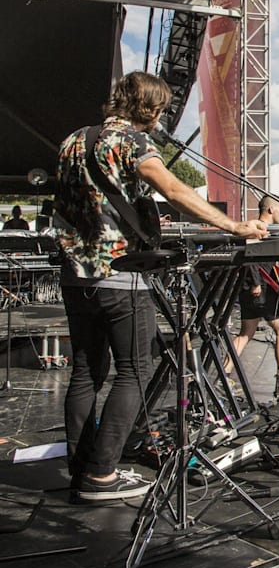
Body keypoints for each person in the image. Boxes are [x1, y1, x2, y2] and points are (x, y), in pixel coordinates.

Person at [55, 71, 268, 502]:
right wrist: (233, 225)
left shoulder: (73, 140)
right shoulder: (132, 142)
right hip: (121, 275)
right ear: (149, 108)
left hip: (75, 275)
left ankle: (80, 470)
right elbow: (171, 188)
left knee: (85, 372)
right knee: (134, 369)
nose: (161, 118)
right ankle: (102, 475)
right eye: (161, 110)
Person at [229, 195, 279, 382]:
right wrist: (255, 283)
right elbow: (251, 258)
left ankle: (225, 371)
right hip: (260, 288)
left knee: (246, 334)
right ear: (271, 209)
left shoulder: (264, 229)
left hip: (254, 288)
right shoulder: (257, 229)